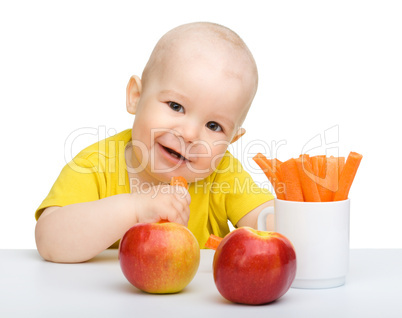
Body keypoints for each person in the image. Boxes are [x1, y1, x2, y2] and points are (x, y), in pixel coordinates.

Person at [35, 22, 274, 263]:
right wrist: (134, 208)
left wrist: (285, 220)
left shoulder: (223, 174)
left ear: (231, 140)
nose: (190, 134)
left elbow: (268, 224)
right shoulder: (95, 165)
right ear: (136, 97)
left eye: (213, 126)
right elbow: (49, 241)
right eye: (176, 106)